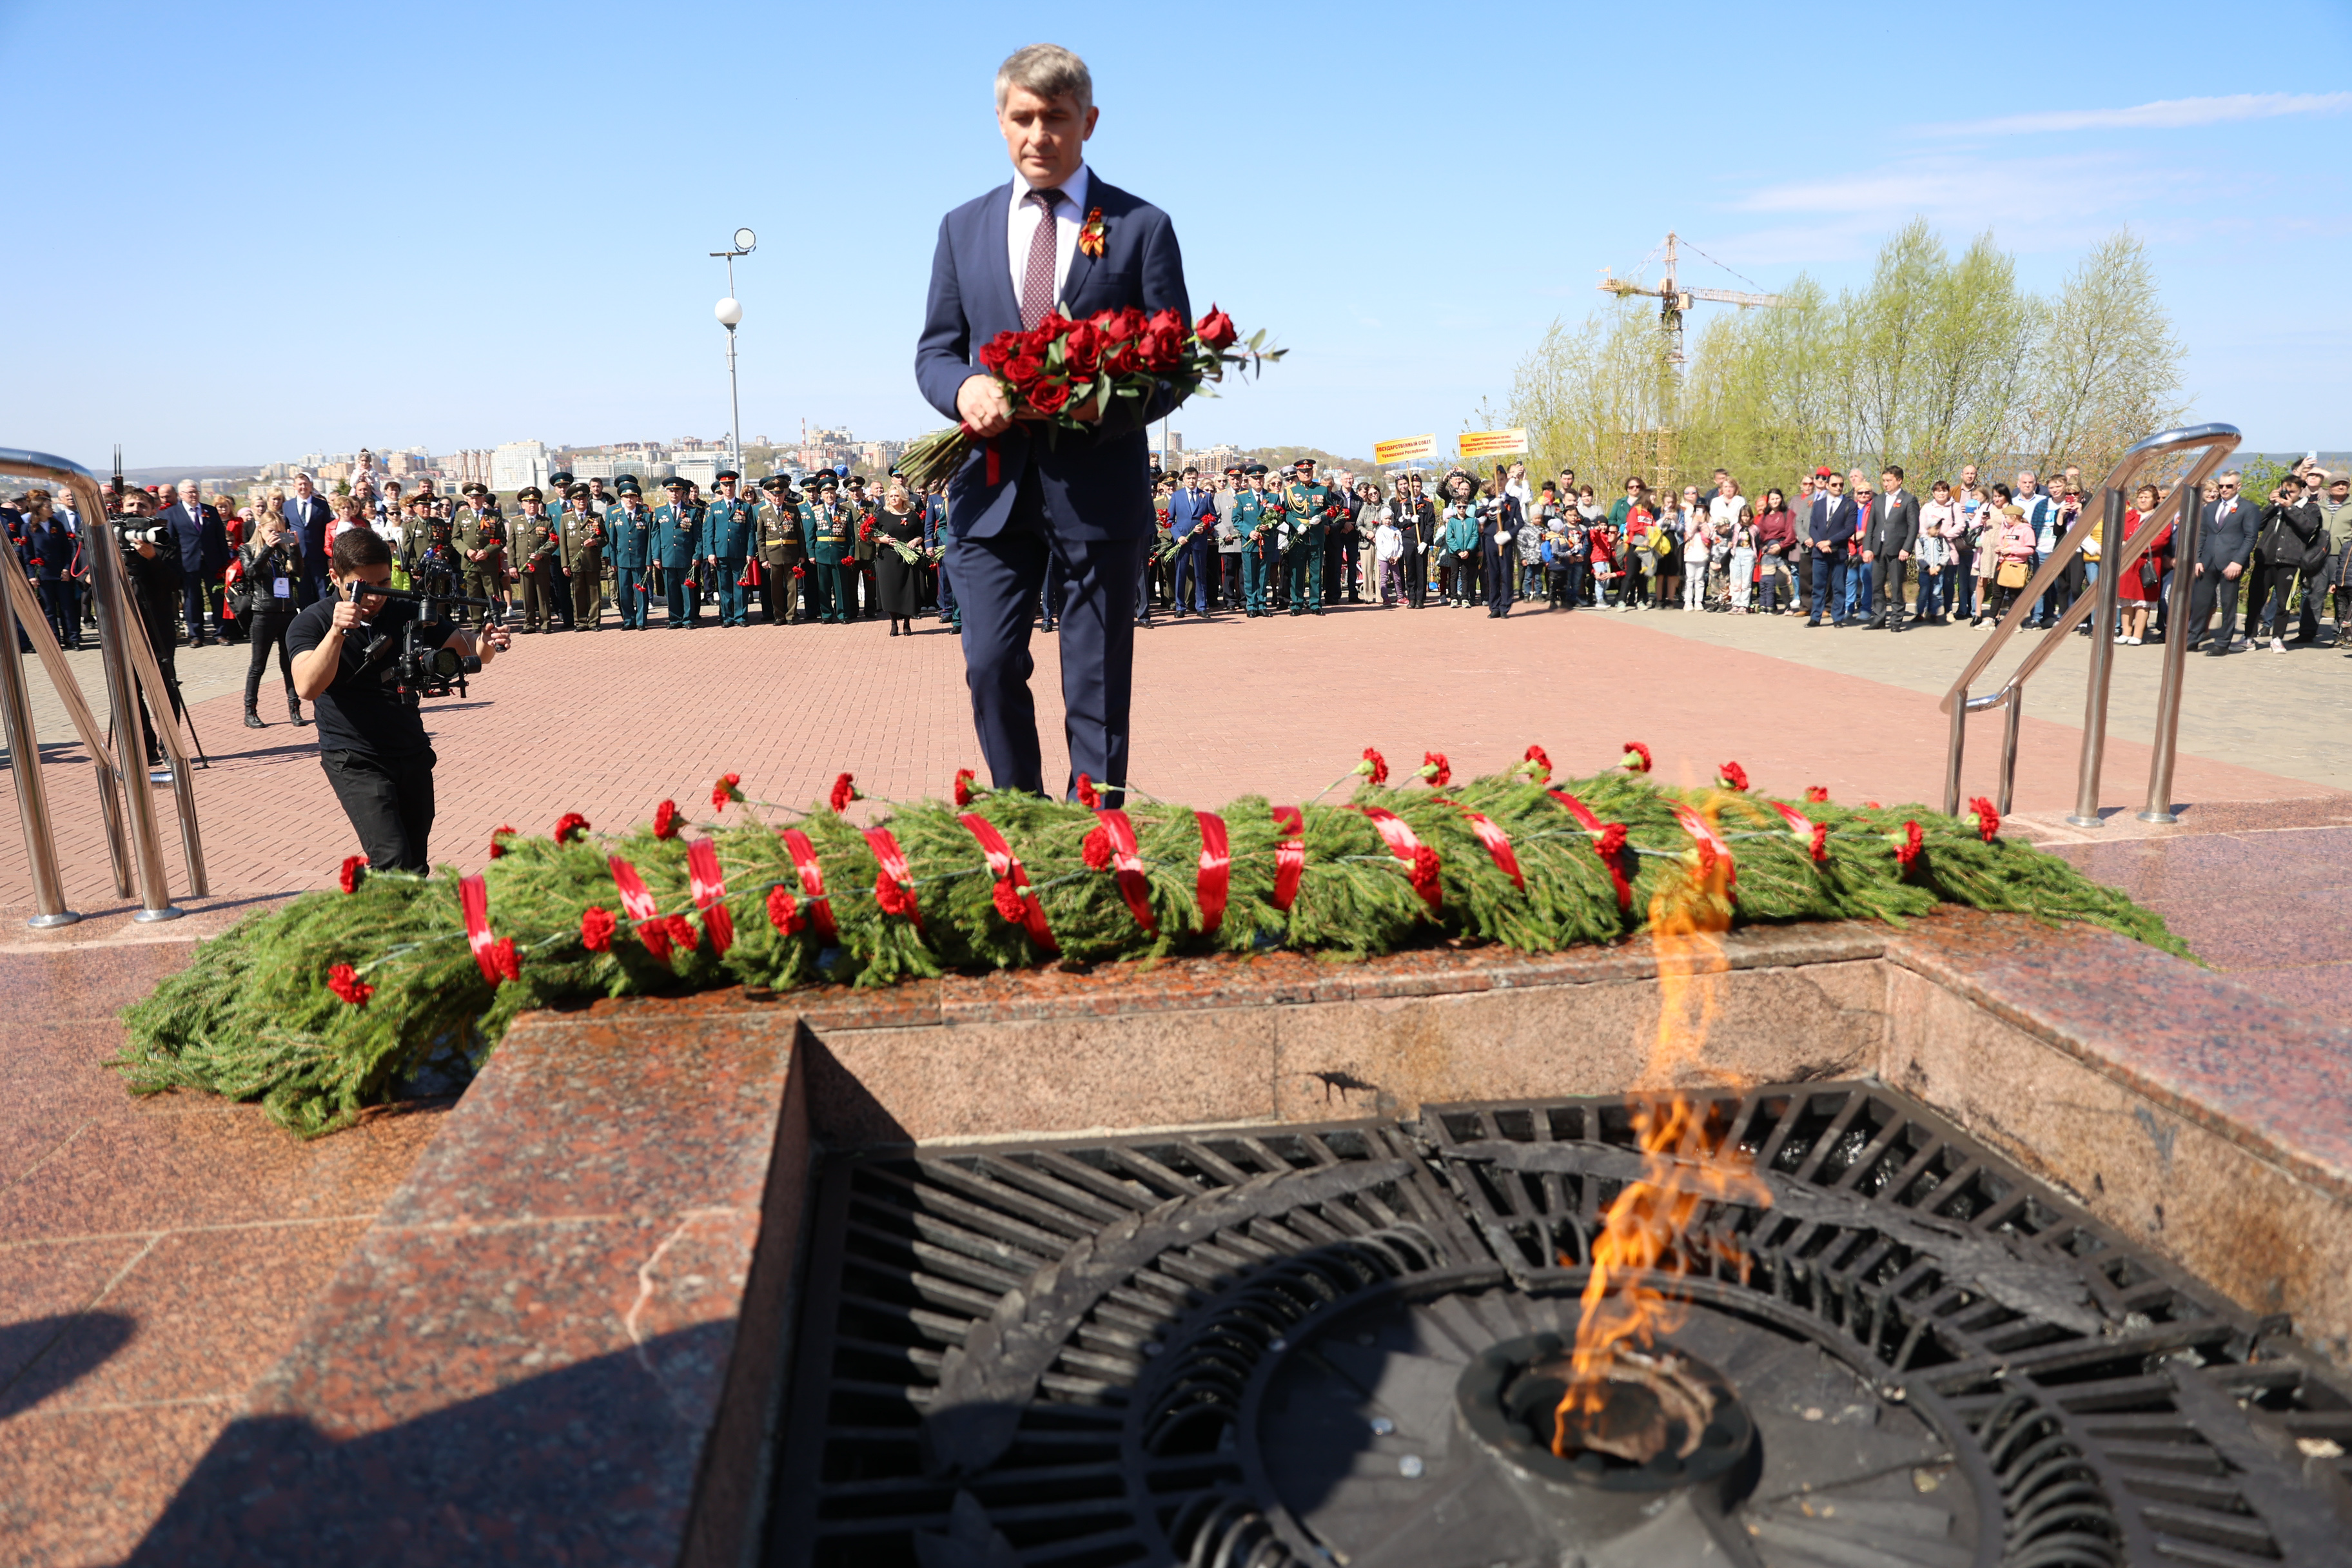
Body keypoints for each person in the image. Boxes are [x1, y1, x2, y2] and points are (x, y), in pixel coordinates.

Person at [912, 46, 1188, 800]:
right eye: (1022, 117)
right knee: (989, 662)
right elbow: (935, 351)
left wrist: (1097, 404)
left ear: (1088, 122)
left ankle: (1091, 839)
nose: (1039, 134)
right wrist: (966, 388)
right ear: (1000, 122)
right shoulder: (960, 228)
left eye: (1056, 118)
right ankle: (1020, 816)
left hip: (1098, 491)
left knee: (1096, 684)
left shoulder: (1140, 227)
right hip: (989, 488)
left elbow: (1175, 364)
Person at [288, 529, 511, 874]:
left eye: (383, 582)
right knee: (392, 861)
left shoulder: (407, 609)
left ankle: (410, 925)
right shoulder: (313, 621)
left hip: (411, 750)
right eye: (363, 586)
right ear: (335, 577)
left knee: (416, 863)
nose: (375, 597)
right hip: (355, 757)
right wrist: (336, 633)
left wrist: (487, 640)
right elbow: (307, 687)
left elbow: (469, 652)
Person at [239, 505, 308, 727]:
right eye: (272, 531)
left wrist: (295, 549)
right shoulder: (247, 549)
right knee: (258, 665)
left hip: (287, 612)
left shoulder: (283, 552)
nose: (276, 535)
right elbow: (251, 572)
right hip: (263, 613)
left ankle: (295, 708)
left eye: (280, 531)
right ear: (260, 530)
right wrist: (267, 549)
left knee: (289, 664)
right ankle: (250, 711)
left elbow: (298, 573)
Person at [2253, 472, 2324, 651]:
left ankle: (2277, 638)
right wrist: (2272, 505)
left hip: (2289, 561)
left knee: (2283, 602)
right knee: (2256, 599)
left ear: (2301, 491)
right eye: (2285, 491)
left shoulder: (2310, 508)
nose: (2287, 495)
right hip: (2266, 559)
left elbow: (2308, 527)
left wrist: (2290, 507)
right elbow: (2257, 525)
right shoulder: (2275, 507)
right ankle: (2249, 637)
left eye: (2291, 492)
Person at [2191, 471, 2258, 655]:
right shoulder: (2211, 508)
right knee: (2200, 602)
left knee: (2228, 604)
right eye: (2221, 486)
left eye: (2229, 486)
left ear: (2238, 486)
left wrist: (2238, 561)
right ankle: (2193, 638)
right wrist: (2198, 559)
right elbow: (2203, 534)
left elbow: (2250, 537)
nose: (2224, 489)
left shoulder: (2248, 508)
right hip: (2208, 561)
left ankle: (2222, 643)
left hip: (2231, 562)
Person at [161, 480, 231, 645]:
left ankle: (221, 633)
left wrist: (226, 562)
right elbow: (171, 541)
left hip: (213, 561)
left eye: (196, 491)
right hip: (188, 562)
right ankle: (196, 635)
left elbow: (220, 538)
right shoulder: (172, 513)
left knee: (217, 598)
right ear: (181, 495)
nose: (194, 495)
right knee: (192, 599)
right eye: (190, 492)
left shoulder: (210, 511)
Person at [1863, 465, 1917, 632]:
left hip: (1897, 550)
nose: (1886, 484)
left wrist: (1906, 549)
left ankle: (1896, 620)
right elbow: (1871, 526)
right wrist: (1867, 548)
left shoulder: (1909, 500)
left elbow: (1913, 526)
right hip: (1878, 549)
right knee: (1877, 586)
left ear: (1899, 480)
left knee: (1896, 586)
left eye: (1889, 481)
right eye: (1884, 480)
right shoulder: (1878, 500)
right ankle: (1879, 618)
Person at [871, 476, 927, 636]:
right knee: (891, 591)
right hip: (887, 558)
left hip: (907, 558)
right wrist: (881, 540)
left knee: (908, 591)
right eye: (891, 496)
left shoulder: (912, 515)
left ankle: (907, 623)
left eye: (896, 496)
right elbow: (870, 534)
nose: (893, 498)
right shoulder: (883, 515)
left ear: (903, 497)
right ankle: (894, 623)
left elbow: (921, 533)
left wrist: (916, 541)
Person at [703, 469, 756, 628]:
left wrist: (750, 552)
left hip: (739, 552)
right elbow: (708, 532)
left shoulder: (745, 507)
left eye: (731, 485)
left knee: (740, 586)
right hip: (720, 553)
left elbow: (751, 532)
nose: (728, 488)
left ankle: (740, 616)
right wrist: (710, 552)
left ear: (735, 486)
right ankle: (727, 617)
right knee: (724, 587)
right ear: (721, 487)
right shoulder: (713, 507)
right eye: (725, 485)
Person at [513, 487, 567, 632]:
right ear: (523, 505)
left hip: (541, 564)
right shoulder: (515, 522)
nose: (532, 505)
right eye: (529, 503)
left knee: (543, 596)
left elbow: (554, 541)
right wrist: (512, 566)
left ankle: (546, 624)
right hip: (523, 564)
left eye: (535, 503)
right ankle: (529, 625)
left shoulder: (546, 522)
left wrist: (541, 554)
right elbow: (511, 545)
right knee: (528, 597)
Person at [2115, 484, 2164, 645]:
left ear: (2155, 500)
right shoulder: (2130, 516)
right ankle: (2126, 632)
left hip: (2146, 563)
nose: (2143, 500)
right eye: (2141, 497)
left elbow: (2162, 538)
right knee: (2126, 598)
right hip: (2128, 562)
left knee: (2143, 599)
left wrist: (2135, 545)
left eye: (2147, 497)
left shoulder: (2159, 517)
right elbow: (2120, 533)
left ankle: (2138, 634)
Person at [1805, 472, 1855, 626]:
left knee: (1839, 587)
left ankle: (1838, 618)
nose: (1838, 487)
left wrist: (1830, 542)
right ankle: (1815, 617)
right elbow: (1813, 526)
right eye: (1834, 484)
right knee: (1818, 587)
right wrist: (1820, 543)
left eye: (1841, 484)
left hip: (1838, 552)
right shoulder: (1819, 504)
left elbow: (1849, 529)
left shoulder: (1849, 504)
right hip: (1819, 552)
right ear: (1827, 485)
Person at [453, 483, 507, 623]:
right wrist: (467, 551)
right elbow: (455, 539)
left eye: (478, 497)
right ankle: (477, 624)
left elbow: (501, 539)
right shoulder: (460, 516)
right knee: (473, 595)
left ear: (483, 498)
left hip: (488, 563)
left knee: (492, 594)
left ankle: (495, 621)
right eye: (472, 498)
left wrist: (488, 552)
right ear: (467, 499)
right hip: (469, 562)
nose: (475, 501)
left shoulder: (494, 516)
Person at [654, 476, 703, 629]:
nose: (674, 493)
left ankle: (688, 619)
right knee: (671, 589)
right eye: (671, 491)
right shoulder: (659, 510)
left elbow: (698, 537)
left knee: (687, 588)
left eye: (677, 491)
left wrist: (697, 555)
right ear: (667, 493)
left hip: (686, 557)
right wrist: (656, 557)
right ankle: (675, 619)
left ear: (682, 492)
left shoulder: (692, 511)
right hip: (667, 556)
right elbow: (655, 536)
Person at [1282, 458, 1329, 615]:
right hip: (1298, 536)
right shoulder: (1290, 490)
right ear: (1298, 473)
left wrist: (1321, 518)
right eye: (1303, 471)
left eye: (1309, 471)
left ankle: (1315, 603)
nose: (1306, 473)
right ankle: (1296, 603)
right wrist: (1296, 524)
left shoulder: (1322, 490)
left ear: (1313, 472)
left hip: (1316, 536)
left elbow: (1331, 510)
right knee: (1297, 572)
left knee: (1316, 573)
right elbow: (1286, 512)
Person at [756, 475, 805, 625]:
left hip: (791, 553)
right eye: (775, 495)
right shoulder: (764, 511)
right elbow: (761, 537)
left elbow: (800, 533)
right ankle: (779, 615)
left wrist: (802, 554)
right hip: (773, 555)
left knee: (792, 587)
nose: (777, 498)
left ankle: (791, 615)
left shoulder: (793, 509)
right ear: (770, 495)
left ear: (785, 494)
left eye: (780, 494)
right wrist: (763, 558)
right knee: (775, 588)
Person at [1168, 466, 1215, 618]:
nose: (1191, 481)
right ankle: (1180, 607)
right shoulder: (1177, 496)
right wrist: (1177, 536)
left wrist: (1206, 527)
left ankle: (1201, 606)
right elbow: (1169, 521)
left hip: (1199, 540)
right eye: (1188, 478)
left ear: (1197, 479)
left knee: (1200, 573)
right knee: (1181, 573)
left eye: (1194, 478)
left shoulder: (1205, 496)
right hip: (1182, 540)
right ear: (1183, 480)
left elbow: (1214, 517)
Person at [607, 477, 654, 629]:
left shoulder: (646, 514)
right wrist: (613, 561)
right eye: (626, 497)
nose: (629, 499)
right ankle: (628, 620)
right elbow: (612, 540)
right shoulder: (615, 514)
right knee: (625, 593)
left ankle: (641, 621)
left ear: (637, 498)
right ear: (622, 498)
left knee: (641, 591)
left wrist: (648, 561)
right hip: (622, 559)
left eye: (632, 496)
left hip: (640, 559)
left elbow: (649, 541)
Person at [283, 473, 335, 605]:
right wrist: (289, 551)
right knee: (304, 593)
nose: (303, 487)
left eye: (306, 484)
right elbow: (285, 530)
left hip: (318, 556)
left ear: (311, 486)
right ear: (294, 486)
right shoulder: (287, 506)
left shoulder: (321, 505)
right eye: (300, 484)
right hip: (298, 557)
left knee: (323, 591)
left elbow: (327, 530)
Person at [563, 483, 605, 630]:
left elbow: (605, 538)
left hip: (591, 560)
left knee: (594, 594)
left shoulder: (596, 517)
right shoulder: (566, 518)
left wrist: (595, 541)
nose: (581, 501)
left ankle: (594, 622)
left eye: (584, 498)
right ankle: (581, 622)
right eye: (578, 498)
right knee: (578, 593)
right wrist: (565, 564)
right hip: (575, 561)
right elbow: (563, 543)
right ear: (572, 501)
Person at [1754, 489, 1795, 615]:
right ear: (1769, 501)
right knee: (1767, 579)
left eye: (1777, 498)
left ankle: (1788, 606)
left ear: (1781, 498)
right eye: (1772, 499)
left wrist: (1781, 546)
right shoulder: (1765, 517)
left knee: (1781, 577)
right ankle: (1770, 606)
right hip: (1767, 549)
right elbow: (1760, 534)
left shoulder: (1788, 513)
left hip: (1782, 548)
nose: (1775, 501)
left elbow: (1791, 534)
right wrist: (1763, 547)